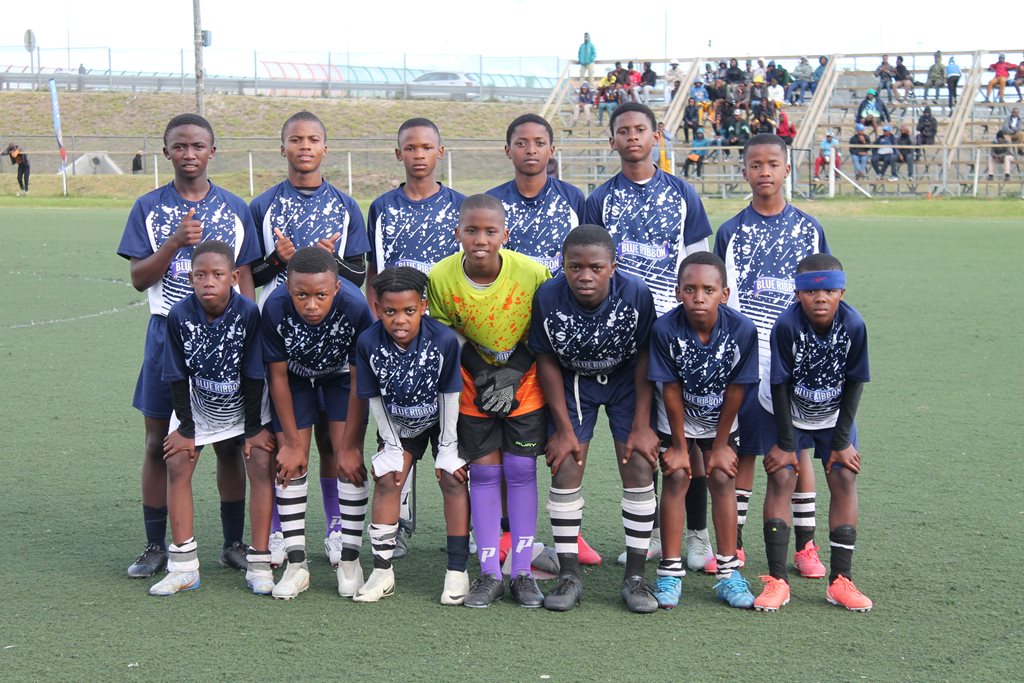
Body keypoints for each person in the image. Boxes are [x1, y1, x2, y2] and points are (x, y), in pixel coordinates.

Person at [117, 113, 262, 580]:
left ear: (212, 151)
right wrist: (174, 244)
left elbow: (246, 280)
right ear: (167, 153)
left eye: (198, 146)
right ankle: (156, 544)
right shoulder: (149, 207)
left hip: (227, 339)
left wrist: (248, 330)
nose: (189, 154)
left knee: (229, 443)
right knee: (159, 443)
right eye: (179, 146)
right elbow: (139, 278)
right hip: (169, 335)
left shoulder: (237, 208)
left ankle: (233, 543)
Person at [586, 102, 715, 574]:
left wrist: (701, 327)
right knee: (646, 442)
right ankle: (657, 534)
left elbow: (699, 264)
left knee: (690, 442)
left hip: (674, 337)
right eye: (624, 131)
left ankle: (698, 536)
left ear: (656, 135)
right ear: (613, 140)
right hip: (620, 339)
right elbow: (589, 264)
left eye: (641, 129)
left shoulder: (683, 194)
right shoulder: (600, 199)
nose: (633, 137)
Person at [250, 111, 371, 567]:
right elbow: (251, 272)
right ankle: (282, 531)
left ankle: (338, 528)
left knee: (337, 447)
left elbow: (359, 273)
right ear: (282, 148)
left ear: (325, 148)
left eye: (313, 139)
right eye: (295, 140)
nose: (304, 146)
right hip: (288, 351)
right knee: (291, 446)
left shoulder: (345, 205)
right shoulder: (262, 205)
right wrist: (275, 260)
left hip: (338, 359)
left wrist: (331, 260)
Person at [714, 134, 831, 578]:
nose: (764, 172)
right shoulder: (730, 231)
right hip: (747, 362)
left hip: (797, 362)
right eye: (755, 164)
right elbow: (724, 300)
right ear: (744, 172)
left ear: (786, 170)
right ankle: (736, 544)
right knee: (744, 451)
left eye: (772, 164)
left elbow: (822, 291)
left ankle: (806, 546)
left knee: (798, 453)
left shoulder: (809, 228)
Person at [426, 194, 551, 609]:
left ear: (505, 235)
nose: (481, 239)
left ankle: (521, 573)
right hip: (471, 385)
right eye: (472, 230)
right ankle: (488, 573)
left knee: (519, 469)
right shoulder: (441, 276)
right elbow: (445, 334)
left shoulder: (532, 272)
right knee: (482, 473)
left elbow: (543, 325)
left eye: (490, 231)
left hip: (526, 382)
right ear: (457, 232)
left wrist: (514, 371)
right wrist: (482, 375)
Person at [529, 224, 660, 613]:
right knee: (566, 466)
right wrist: (564, 431)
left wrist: (641, 425)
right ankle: (569, 574)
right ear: (562, 266)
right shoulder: (549, 296)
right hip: (573, 380)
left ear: (613, 266)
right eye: (575, 267)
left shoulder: (635, 294)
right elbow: (546, 359)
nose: (585, 276)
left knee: (638, 463)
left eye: (596, 268)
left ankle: (635, 576)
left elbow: (643, 357)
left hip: (624, 380)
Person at [336, 266, 470, 604]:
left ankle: (457, 571)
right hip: (398, 424)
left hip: (443, 421)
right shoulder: (367, 342)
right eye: (390, 311)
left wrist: (449, 447)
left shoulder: (442, 340)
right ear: (378, 308)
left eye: (409, 311)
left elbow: (449, 395)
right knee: (388, 477)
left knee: (453, 478)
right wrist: (391, 446)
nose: (400, 320)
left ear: (423, 306)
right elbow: (374, 398)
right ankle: (382, 572)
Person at [150, 241, 276, 596]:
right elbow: (176, 375)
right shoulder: (178, 315)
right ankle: (184, 566)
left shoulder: (249, 312)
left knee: (261, 460)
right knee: (177, 460)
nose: (209, 282)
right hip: (200, 405)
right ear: (190, 278)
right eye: (201, 275)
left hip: (245, 405)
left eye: (218, 275)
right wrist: (187, 430)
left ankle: (260, 563)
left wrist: (253, 430)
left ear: (234, 278)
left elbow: (254, 374)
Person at [365, 118, 465, 558]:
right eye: (410, 147)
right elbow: (374, 272)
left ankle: (465, 531)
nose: (419, 154)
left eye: (427, 147)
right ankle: (398, 521)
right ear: (399, 153)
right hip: (397, 332)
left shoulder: (460, 206)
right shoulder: (382, 207)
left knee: (454, 428)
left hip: (446, 337)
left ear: (440, 153)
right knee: (396, 427)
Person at [752, 253, 873, 613]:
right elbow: (779, 384)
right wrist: (787, 446)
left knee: (844, 475)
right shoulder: (786, 326)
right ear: (797, 294)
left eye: (830, 291)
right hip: (785, 409)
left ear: (842, 292)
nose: (821, 299)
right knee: (782, 477)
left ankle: (841, 582)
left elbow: (855, 383)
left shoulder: (854, 325)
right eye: (811, 292)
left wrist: (839, 443)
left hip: (833, 414)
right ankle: (778, 581)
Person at [648, 251, 759, 609]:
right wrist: (680, 445)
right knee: (678, 476)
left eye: (708, 290)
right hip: (676, 414)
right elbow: (669, 388)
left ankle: (728, 572)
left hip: (720, 417)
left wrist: (722, 443)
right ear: (678, 292)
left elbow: (738, 388)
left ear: (723, 294)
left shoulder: (742, 329)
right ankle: (669, 571)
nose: (699, 297)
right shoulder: (665, 329)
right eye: (690, 289)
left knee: (724, 478)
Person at [260, 247, 373, 599]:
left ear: (336, 288)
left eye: (320, 295)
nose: (311, 305)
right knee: (291, 461)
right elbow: (277, 377)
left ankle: (350, 558)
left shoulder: (355, 308)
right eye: (301, 295)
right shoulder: (275, 307)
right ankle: (296, 567)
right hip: (294, 378)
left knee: (346, 460)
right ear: (288, 288)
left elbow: (359, 381)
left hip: (341, 377)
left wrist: (352, 444)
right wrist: (292, 442)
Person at [487, 114, 585, 277]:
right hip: (508, 298)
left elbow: (584, 252)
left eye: (539, 143)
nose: (531, 150)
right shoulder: (492, 201)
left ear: (551, 150)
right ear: (508, 150)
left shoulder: (572, 197)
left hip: (559, 298)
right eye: (521, 143)